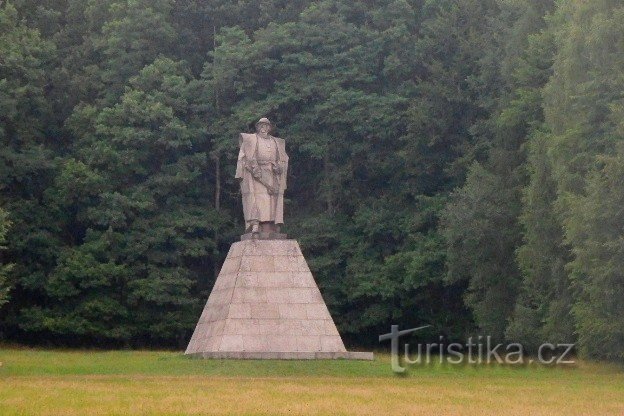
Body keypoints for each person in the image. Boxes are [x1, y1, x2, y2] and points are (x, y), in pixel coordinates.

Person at [235, 118, 288, 234]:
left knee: (272, 201)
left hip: (272, 174)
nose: (264, 128)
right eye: (261, 126)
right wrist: (254, 168)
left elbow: (283, 159)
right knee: (257, 199)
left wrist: (279, 167)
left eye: (266, 126)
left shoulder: (276, 141)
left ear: (269, 128)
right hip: (256, 174)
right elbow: (246, 157)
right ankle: (255, 224)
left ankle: (272, 225)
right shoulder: (251, 140)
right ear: (258, 127)